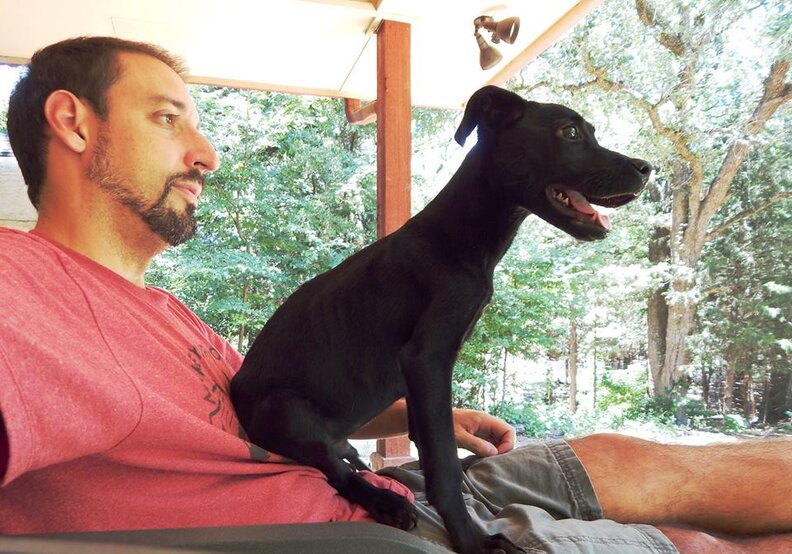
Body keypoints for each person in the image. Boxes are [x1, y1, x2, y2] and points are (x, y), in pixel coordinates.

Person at [0, 36, 789, 553]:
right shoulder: (20, 287)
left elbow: (271, 410)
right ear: (72, 122)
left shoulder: (161, 310)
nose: (206, 154)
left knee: (633, 459)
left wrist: (420, 415)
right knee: (700, 543)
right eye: (169, 119)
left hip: (364, 484)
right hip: (354, 526)